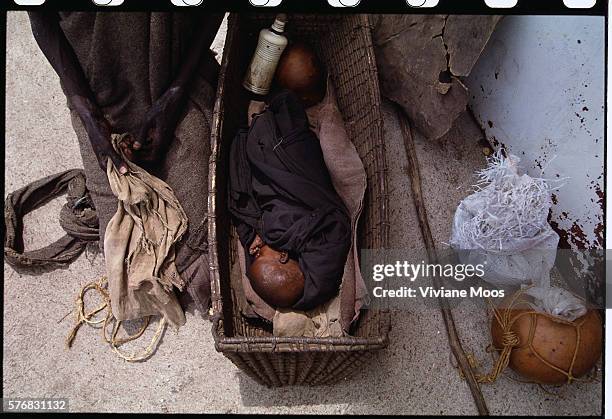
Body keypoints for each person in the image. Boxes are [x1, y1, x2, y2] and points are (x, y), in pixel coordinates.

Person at [28, 11, 224, 313]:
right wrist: (88, 114)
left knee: (210, 240)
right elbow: (41, 18)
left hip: (176, 72)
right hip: (99, 96)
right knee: (128, 258)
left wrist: (175, 94)